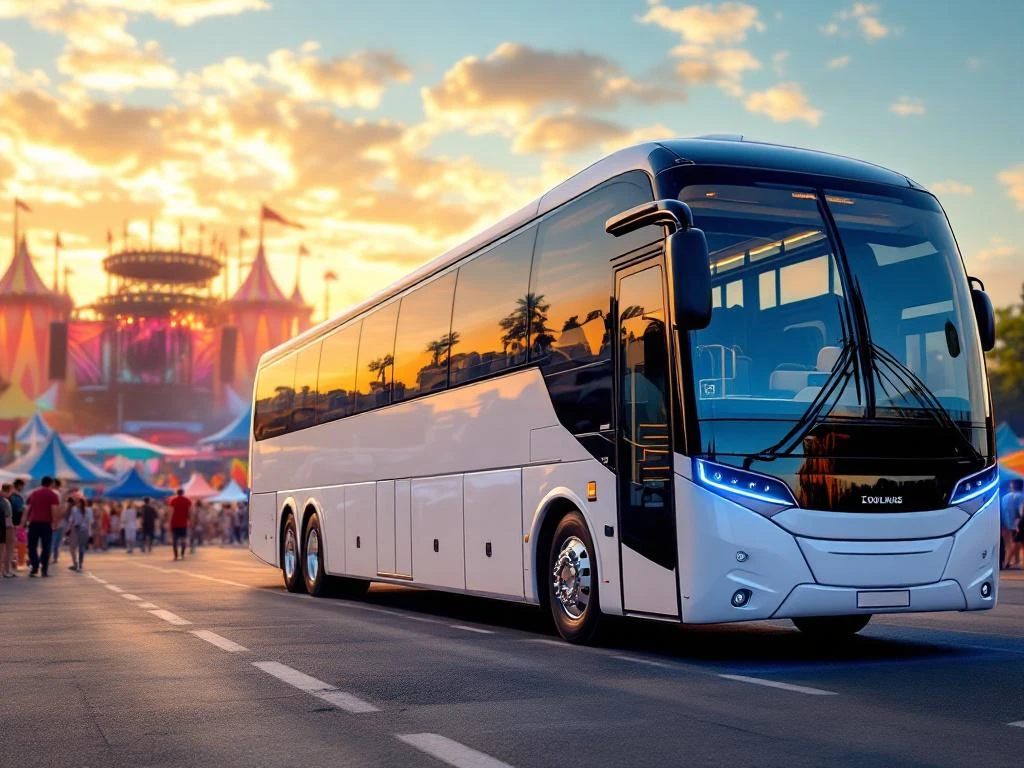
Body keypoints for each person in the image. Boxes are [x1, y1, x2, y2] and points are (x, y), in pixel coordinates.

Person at [26, 476, 61, 577]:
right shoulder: (53, 495)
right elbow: (54, 509)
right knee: (46, 547)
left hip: (34, 522)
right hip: (46, 524)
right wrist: (55, 523)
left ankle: (34, 566)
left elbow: (29, 508)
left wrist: (24, 521)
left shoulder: (34, 493)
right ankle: (44, 569)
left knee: (32, 546)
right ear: (51, 484)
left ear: (41, 483)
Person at [1001, 479, 1024, 569]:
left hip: (1007, 523)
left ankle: (1016, 561)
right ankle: (1007, 562)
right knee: (1016, 542)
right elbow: (1021, 512)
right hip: (1019, 523)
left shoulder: (1005, 497)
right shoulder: (1021, 497)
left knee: (1012, 542)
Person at [67, 497, 92, 572]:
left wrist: (68, 530)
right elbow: (90, 522)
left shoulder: (74, 509)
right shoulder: (89, 510)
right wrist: (90, 534)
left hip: (76, 529)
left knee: (72, 548)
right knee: (81, 547)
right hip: (84, 530)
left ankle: (75, 563)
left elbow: (71, 521)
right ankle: (79, 564)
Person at [168, 489, 191, 561]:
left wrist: (169, 522)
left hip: (175, 523)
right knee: (183, 539)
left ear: (177, 493)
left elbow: (171, 512)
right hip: (184, 523)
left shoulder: (173, 500)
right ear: (183, 493)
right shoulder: (187, 501)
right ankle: (182, 554)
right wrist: (190, 520)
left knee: (175, 540)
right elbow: (190, 512)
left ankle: (176, 555)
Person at [10, 477, 25, 571]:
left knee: (13, 543)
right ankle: (15, 562)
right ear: (19, 485)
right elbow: (19, 510)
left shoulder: (11, 496)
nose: (22, 488)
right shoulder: (16, 497)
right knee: (16, 542)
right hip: (16, 523)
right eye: (22, 486)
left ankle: (13, 562)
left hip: (12, 522)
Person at [50, 478, 66, 564]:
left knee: (53, 540)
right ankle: (54, 557)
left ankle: (52, 557)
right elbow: (61, 508)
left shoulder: (56, 493)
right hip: (59, 521)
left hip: (55, 520)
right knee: (56, 541)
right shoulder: (59, 493)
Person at [0, 483, 13, 578]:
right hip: (2, 528)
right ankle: (4, 571)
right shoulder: (5, 502)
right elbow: (8, 519)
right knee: (2, 550)